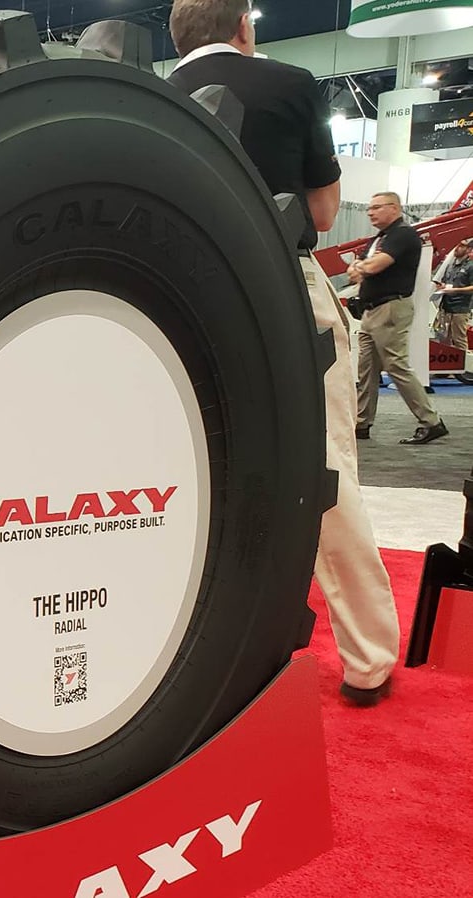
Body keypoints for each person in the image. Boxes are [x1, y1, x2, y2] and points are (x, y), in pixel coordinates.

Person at [168, 0, 399, 706]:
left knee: (191, 467)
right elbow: (322, 215)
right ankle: (367, 659)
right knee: (323, 462)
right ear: (245, 26)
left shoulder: (153, 94)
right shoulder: (292, 84)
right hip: (277, 282)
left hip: (176, 291)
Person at [347, 192, 446, 445]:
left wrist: (362, 267)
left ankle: (431, 422)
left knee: (396, 365)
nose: (370, 212)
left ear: (394, 208)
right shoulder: (378, 239)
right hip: (371, 311)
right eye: (369, 208)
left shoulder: (403, 235)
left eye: (377, 207)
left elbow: (372, 266)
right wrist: (361, 267)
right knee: (367, 369)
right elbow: (355, 268)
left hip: (390, 308)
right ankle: (362, 422)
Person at [432, 238, 472, 352]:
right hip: (446, 307)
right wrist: (442, 286)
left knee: (458, 339)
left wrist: (456, 290)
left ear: (468, 249)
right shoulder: (451, 265)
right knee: (444, 339)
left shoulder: (471, 266)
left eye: (461, 246)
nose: (457, 248)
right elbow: (446, 282)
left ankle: (464, 362)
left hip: (460, 309)